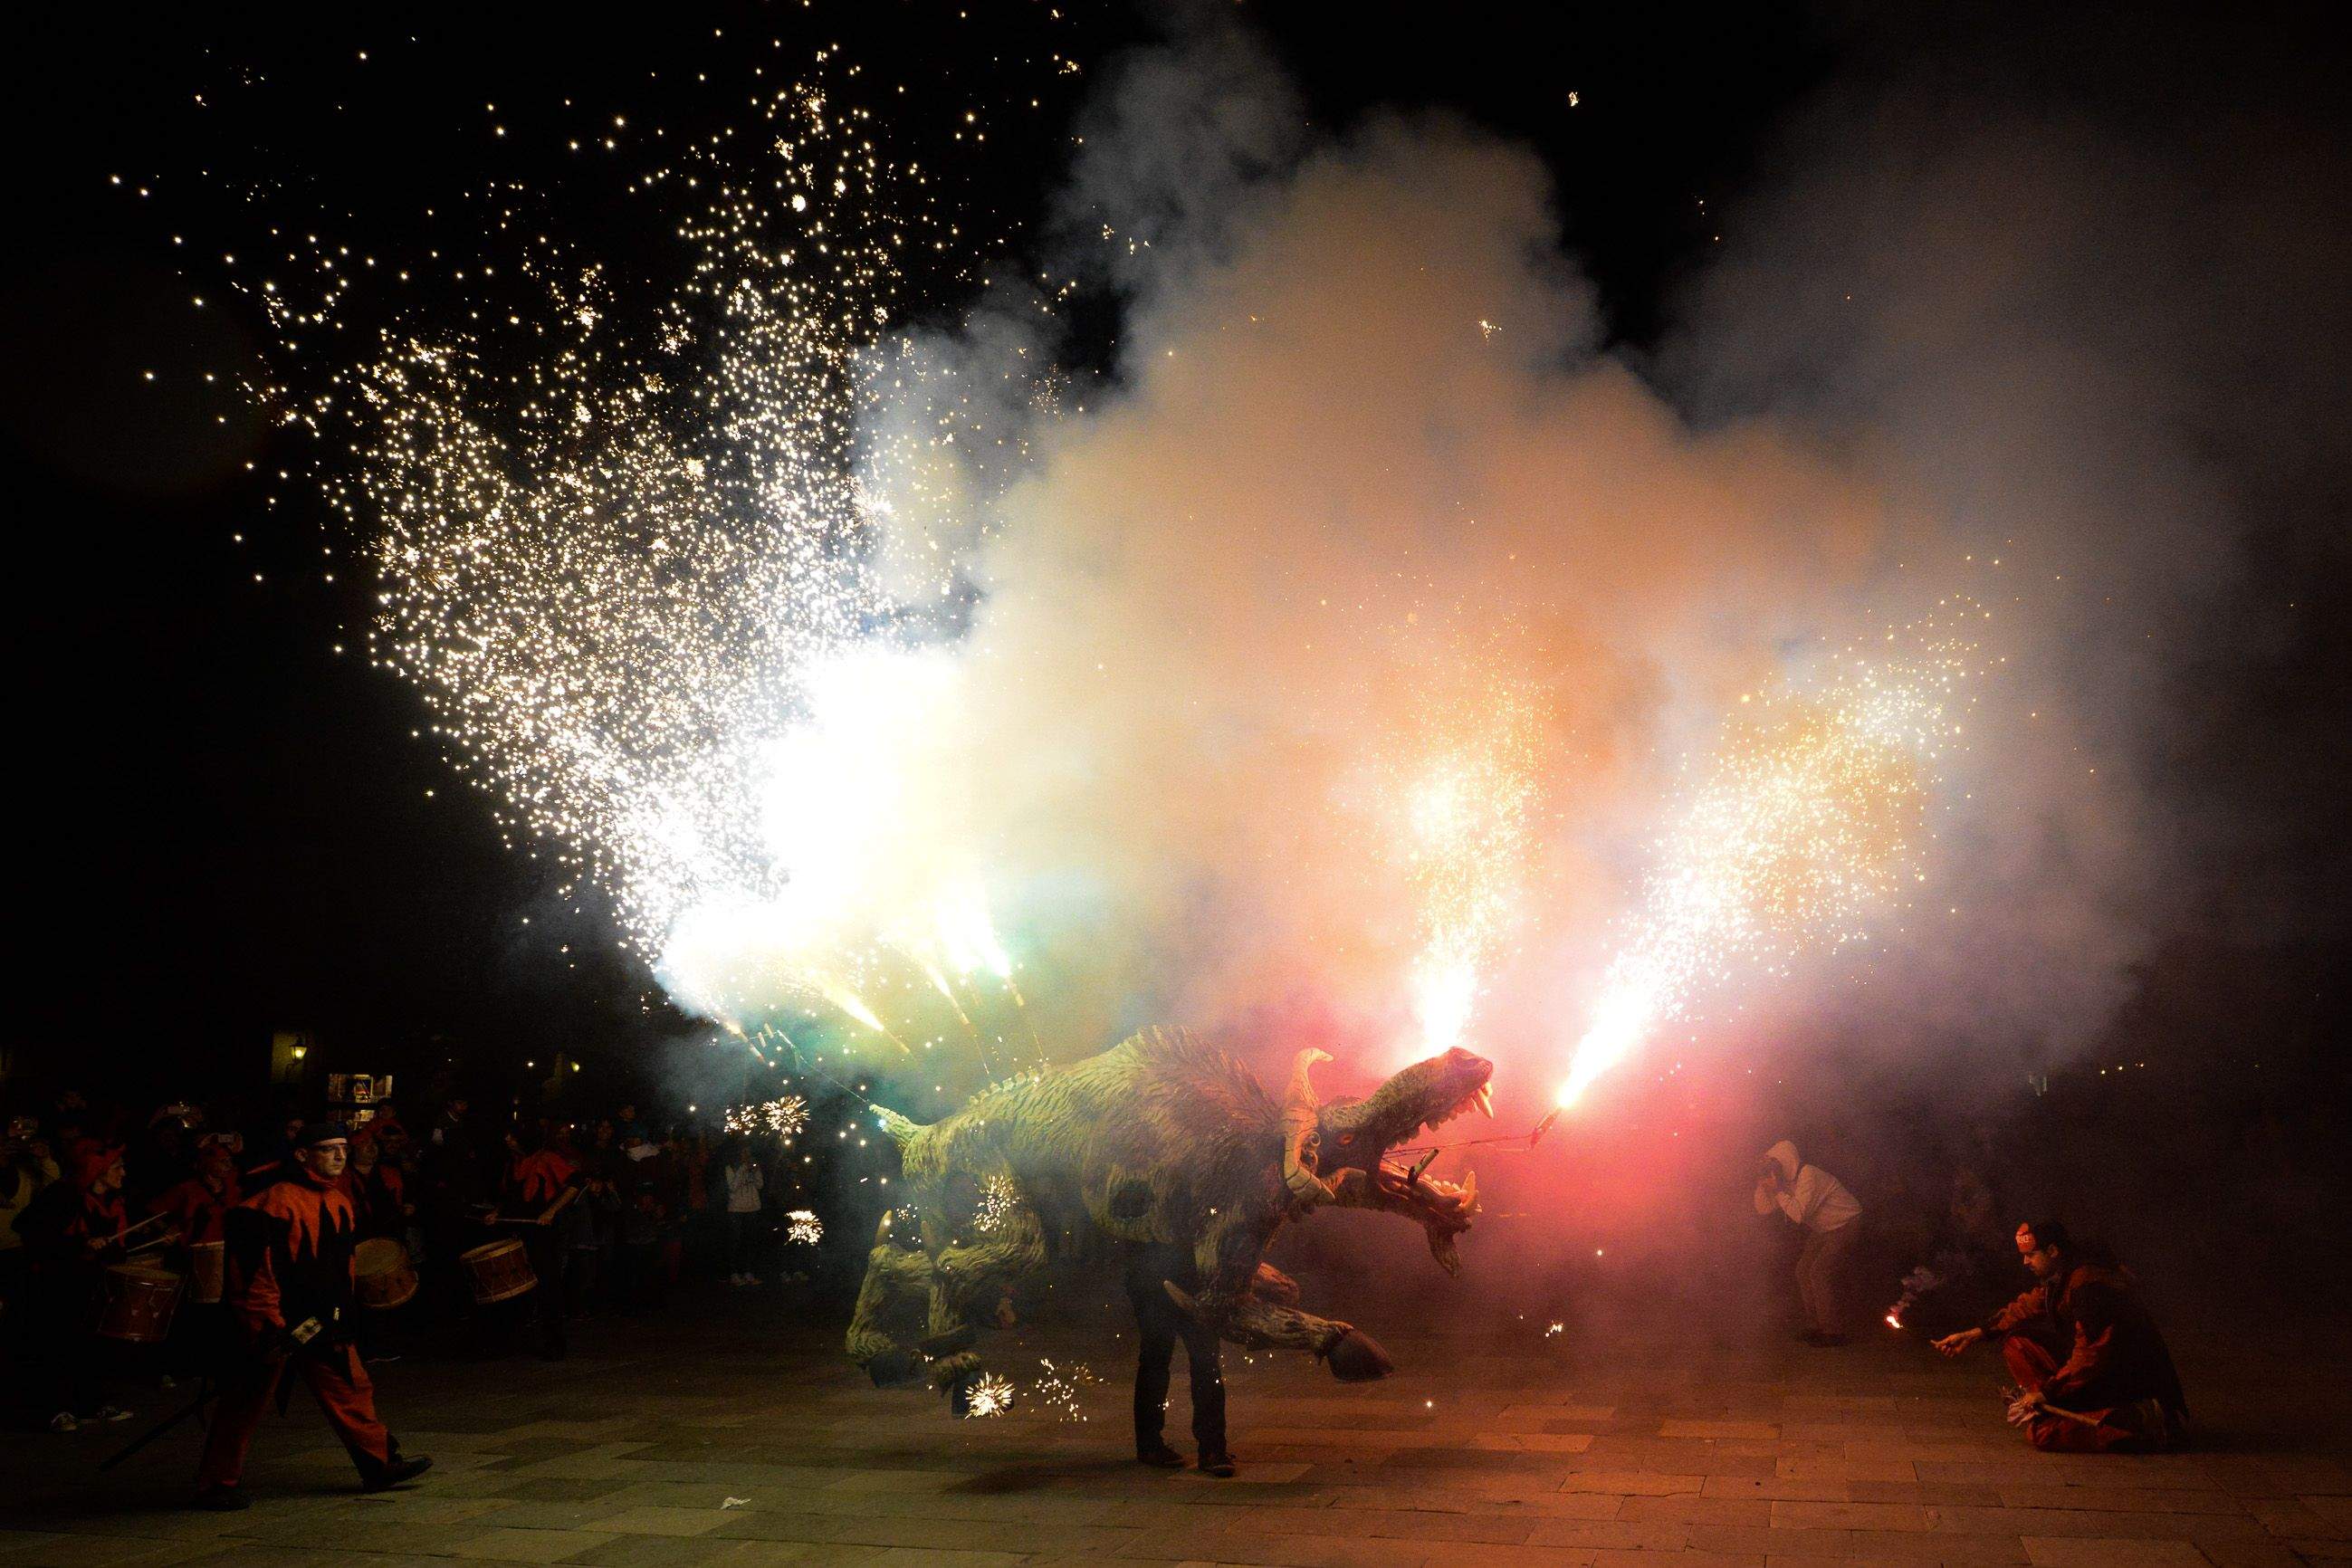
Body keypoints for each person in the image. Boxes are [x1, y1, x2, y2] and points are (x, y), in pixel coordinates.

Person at [192, 1123, 429, 1508]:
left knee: (352, 1390)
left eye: (342, 1149)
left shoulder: (338, 1201)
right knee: (244, 1402)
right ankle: (215, 1484)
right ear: (302, 1155)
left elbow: (342, 1269)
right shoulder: (269, 1203)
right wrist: (265, 1328)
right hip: (275, 1325)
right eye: (328, 1149)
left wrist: (344, 1315)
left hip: (323, 1322)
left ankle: (380, 1464)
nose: (340, 1156)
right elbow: (255, 1274)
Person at [1933, 1220, 2187, 1452]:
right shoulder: (2063, 1275)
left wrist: (2047, 1392)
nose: (2025, 1262)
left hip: (2129, 1382)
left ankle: (2140, 1422)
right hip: (2105, 1373)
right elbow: (2027, 1306)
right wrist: (1975, 1334)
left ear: (2053, 1251)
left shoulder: (2090, 1285)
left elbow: (2091, 1354)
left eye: (2031, 1255)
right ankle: (2060, 1411)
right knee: (2017, 1343)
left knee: (2043, 1435)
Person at [15, 1142, 148, 1430]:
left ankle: (89, 1403)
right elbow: (28, 1229)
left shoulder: (113, 1199)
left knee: (92, 1345)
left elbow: (116, 1243)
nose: (124, 1172)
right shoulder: (64, 1196)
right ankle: (56, 1408)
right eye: (118, 1167)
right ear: (98, 1171)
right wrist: (79, 1244)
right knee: (59, 1345)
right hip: (56, 1284)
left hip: (90, 1282)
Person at [1123, 1240, 1232, 1477]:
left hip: (1196, 1279)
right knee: (1155, 1361)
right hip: (1152, 1281)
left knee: (1207, 1362)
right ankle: (1150, 1444)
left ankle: (1213, 1447)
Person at [1754, 1139, 1863, 1344]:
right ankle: (1816, 1327)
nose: (1771, 1172)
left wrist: (1777, 1191)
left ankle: (1833, 1333)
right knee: (1803, 1270)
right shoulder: (1785, 1181)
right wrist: (1763, 1184)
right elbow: (1762, 1208)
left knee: (1818, 1273)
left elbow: (1798, 1215)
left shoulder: (1808, 1174)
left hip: (1846, 1223)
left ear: (1784, 1163)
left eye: (1772, 1168)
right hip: (1824, 1229)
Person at [487, 1124, 579, 1359]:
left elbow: (575, 1184)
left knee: (548, 1287)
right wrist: (496, 1213)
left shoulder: (546, 1159)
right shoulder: (512, 1163)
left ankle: (554, 1344)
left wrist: (551, 1212)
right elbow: (507, 1196)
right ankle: (514, 1341)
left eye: (512, 1136)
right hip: (517, 1230)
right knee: (516, 1287)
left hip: (541, 1232)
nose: (507, 1138)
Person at [722, 1139, 763, 1286]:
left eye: (748, 1152)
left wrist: (756, 1170)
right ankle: (734, 1273)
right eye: (744, 1152)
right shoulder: (730, 1168)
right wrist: (742, 1169)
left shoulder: (752, 1166)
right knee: (735, 1241)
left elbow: (760, 1184)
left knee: (750, 1241)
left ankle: (748, 1272)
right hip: (736, 1209)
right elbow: (732, 1187)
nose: (747, 1155)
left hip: (752, 1207)